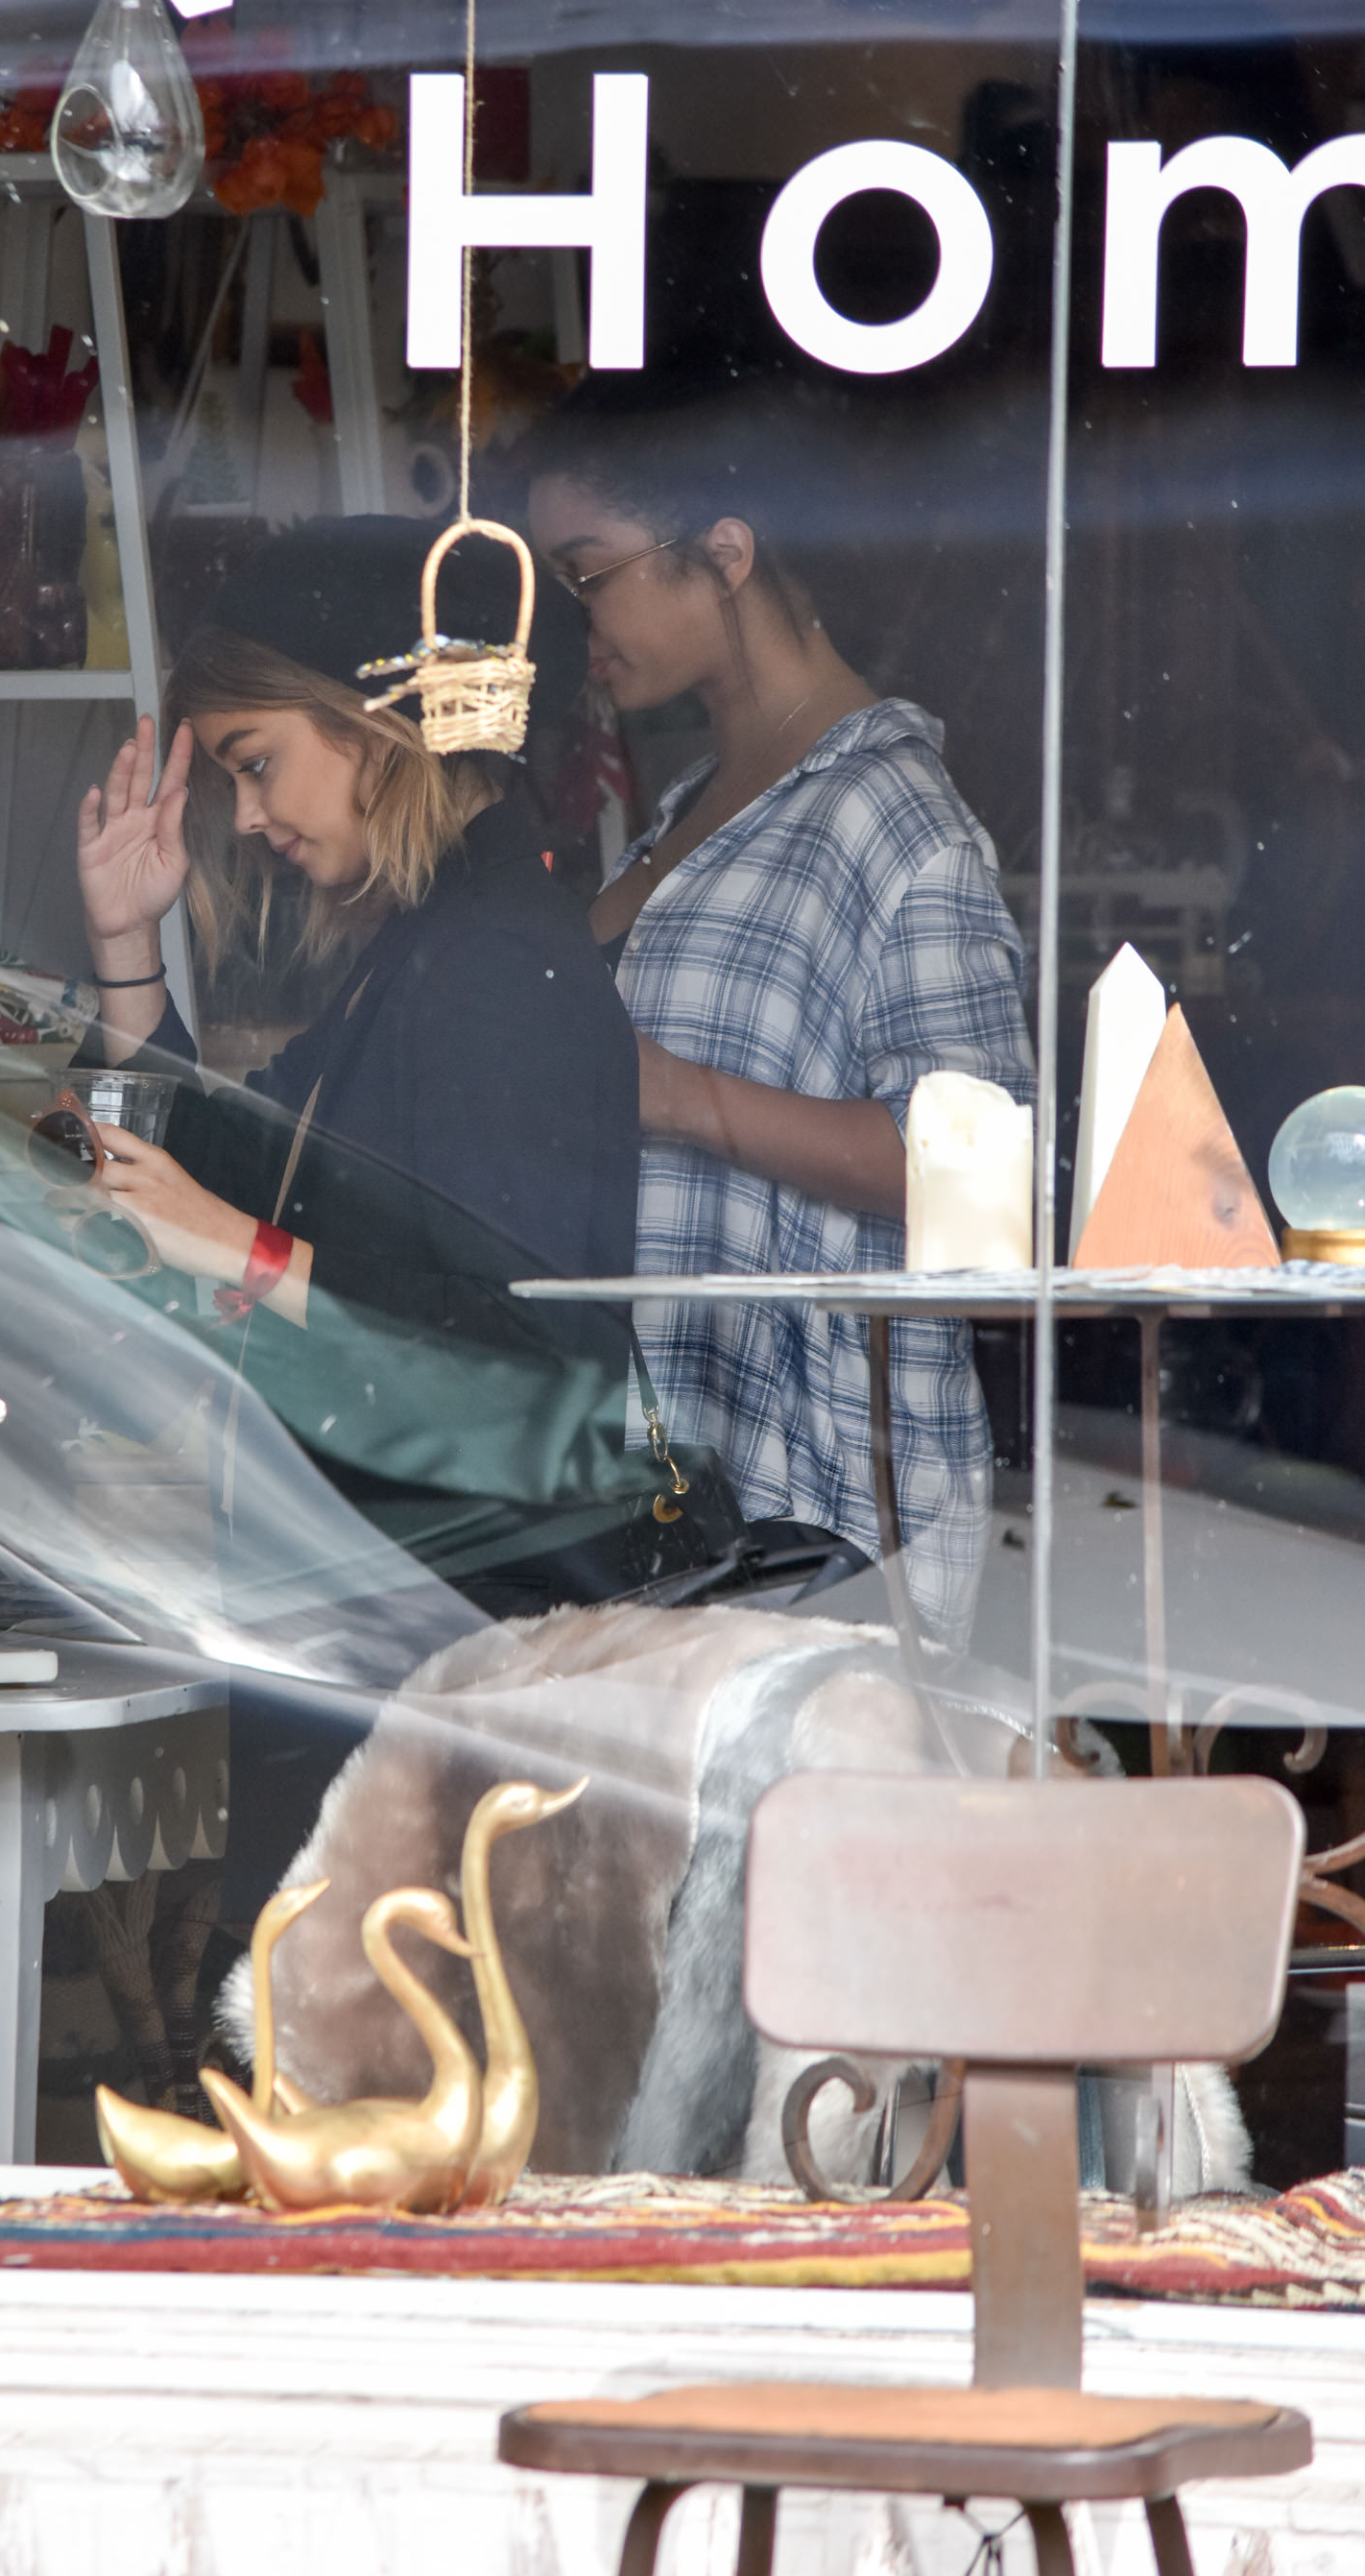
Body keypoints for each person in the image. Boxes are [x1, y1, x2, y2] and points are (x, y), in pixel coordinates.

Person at [72, 515, 646, 1913]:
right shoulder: (433, 947)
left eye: (258, 762)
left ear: (373, 726)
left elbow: (524, 1359)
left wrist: (243, 1251)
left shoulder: (489, 970)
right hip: (385, 1639)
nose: (247, 819)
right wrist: (125, 946)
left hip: (439, 1668)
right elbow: (235, 1160)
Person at [527, 409, 1035, 1641]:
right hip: (665, 1478)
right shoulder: (702, 797)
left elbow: (983, 1181)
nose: (575, 625)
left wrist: (672, 1091)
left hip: (813, 1508)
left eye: (588, 578)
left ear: (726, 551)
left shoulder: (895, 819)